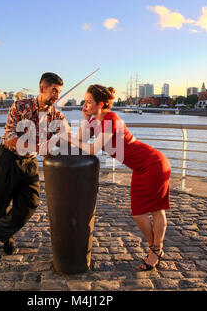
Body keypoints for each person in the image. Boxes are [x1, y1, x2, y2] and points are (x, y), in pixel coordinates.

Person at [63, 84, 171, 271]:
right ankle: (156, 249)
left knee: (152, 211)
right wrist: (84, 118)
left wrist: (67, 138)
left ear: (101, 103)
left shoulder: (111, 119)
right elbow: (82, 140)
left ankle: (155, 250)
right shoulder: (94, 122)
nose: (85, 104)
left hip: (152, 163)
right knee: (144, 212)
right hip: (140, 167)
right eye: (85, 101)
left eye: (89, 102)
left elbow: (92, 148)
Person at [0, 72, 70, 255]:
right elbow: (10, 136)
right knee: (2, 203)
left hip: (29, 162)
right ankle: (7, 240)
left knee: (31, 202)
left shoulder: (57, 115)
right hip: (8, 158)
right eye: (54, 91)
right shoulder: (20, 106)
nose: (57, 96)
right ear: (42, 89)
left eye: (59, 92)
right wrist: (39, 147)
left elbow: (67, 135)